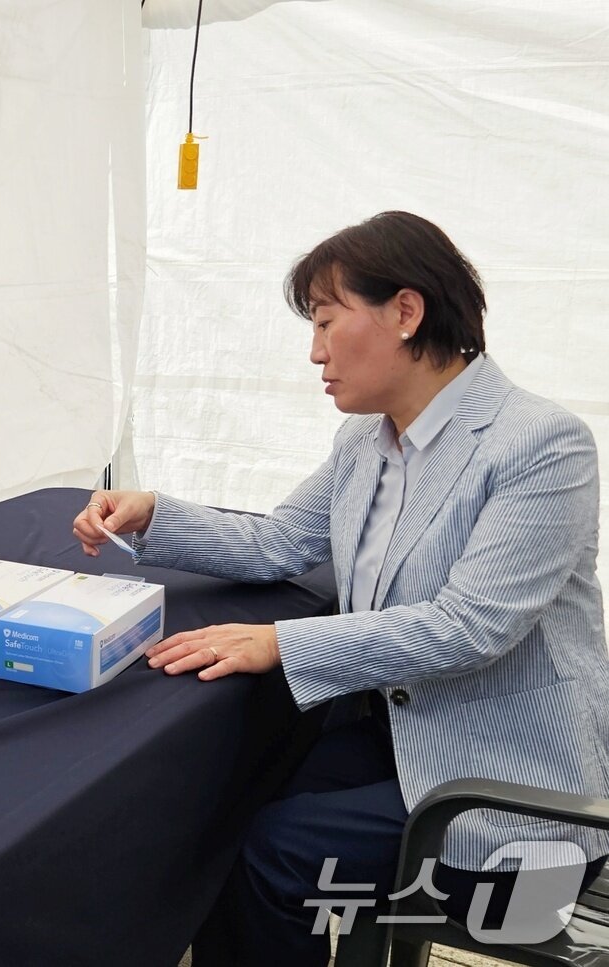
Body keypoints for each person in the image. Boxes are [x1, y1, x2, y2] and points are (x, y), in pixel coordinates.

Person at [74, 211, 609, 963]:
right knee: (221, 808)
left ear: (406, 311)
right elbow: (275, 542)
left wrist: (277, 642)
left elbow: (469, 627)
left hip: (510, 792)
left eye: (326, 322)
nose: (315, 352)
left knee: (273, 854)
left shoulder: (540, 446)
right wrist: (153, 513)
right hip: (409, 740)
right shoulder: (367, 438)